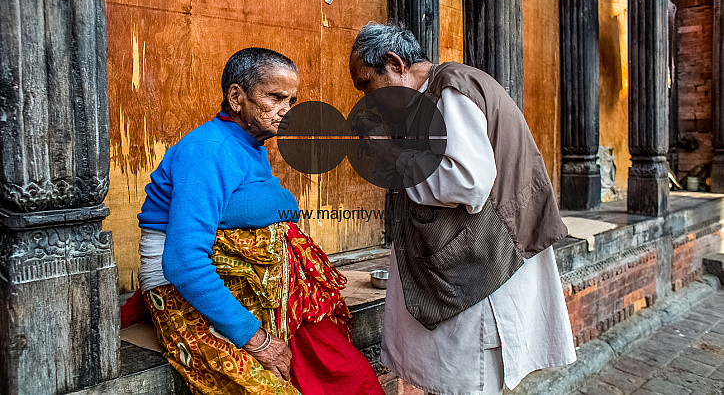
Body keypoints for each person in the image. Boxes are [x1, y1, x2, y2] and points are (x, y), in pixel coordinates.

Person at [136, 47, 384, 395]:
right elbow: (183, 261)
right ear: (236, 96)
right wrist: (259, 340)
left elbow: (266, 205)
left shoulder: (249, 145)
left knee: (336, 366)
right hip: (181, 288)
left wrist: (273, 204)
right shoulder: (209, 149)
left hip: (243, 278)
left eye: (292, 101)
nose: (287, 111)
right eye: (275, 98)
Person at [348, 24, 577, 395]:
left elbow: (467, 183)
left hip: (486, 261)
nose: (366, 98)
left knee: (472, 381)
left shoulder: (449, 90)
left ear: (395, 64)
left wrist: (389, 151)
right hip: (478, 260)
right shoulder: (434, 96)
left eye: (365, 85)